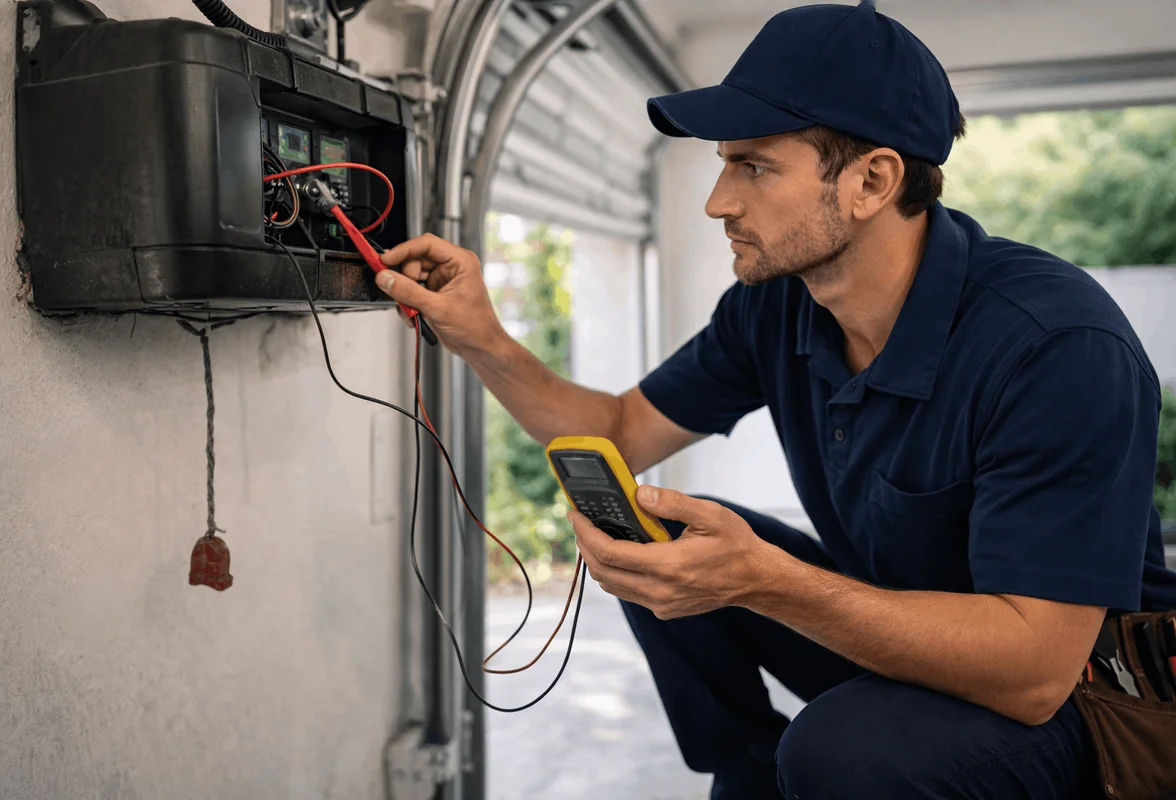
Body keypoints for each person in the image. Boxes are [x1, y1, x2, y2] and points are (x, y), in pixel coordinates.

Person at [376, 3, 1176, 797]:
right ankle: (749, 781)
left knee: (844, 752)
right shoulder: (779, 305)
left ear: (872, 181)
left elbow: (1035, 670)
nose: (718, 201)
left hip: (1089, 702)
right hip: (916, 630)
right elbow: (617, 431)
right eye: (724, 164)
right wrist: (482, 336)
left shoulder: (1055, 345)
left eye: (754, 167)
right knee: (666, 538)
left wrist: (763, 581)